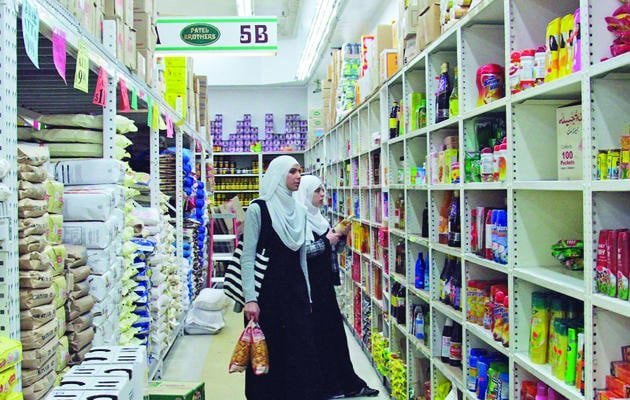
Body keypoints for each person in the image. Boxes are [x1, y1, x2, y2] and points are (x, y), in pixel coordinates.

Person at [240, 156, 324, 400]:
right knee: (267, 351)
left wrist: (307, 294)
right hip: (267, 293)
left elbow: (301, 259)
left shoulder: (300, 211)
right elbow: (248, 257)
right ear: (278, 175)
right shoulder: (258, 209)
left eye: (300, 171)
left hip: (295, 292)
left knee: (299, 349)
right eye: (292, 171)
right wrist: (250, 299)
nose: (298, 176)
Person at [295, 175, 380, 399]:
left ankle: (346, 383)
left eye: (323, 189)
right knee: (321, 336)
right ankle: (329, 386)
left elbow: (334, 252)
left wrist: (341, 237)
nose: (323, 194)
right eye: (317, 191)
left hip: (325, 285)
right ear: (306, 193)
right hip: (312, 288)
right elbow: (303, 254)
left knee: (335, 335)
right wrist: (327, 241)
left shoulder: (319, 219)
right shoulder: (300, 220)